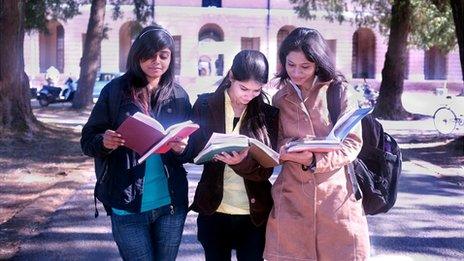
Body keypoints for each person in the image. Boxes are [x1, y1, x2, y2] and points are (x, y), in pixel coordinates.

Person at [80, 25, 192, 260]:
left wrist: (183, 148)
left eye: (164, 55)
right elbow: (88, 139)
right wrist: (104, 141)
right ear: (136, 55)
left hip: (170, 203)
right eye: (149, 55)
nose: (157, 61)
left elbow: (190, 151)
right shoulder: (115, 91)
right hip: (126, 201)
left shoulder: (179, 95)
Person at [264, 27, 370, 260]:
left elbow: (352, 143)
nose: (296, 73)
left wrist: (314, 159)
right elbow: (277, 139)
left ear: (318, 63)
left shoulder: (338, 92)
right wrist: (284, 149)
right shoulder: (280, 98)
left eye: (305, 67)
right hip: (291, 196)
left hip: (335, 197)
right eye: (290, 65)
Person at [184, 50, 279, 260]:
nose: (249, 95)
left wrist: (242, 163)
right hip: (214, 208)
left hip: (254, 213)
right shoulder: (205, 105)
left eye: (257, 90)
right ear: (230, 76)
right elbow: (193, 152)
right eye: (244, 88)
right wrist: (182, 147)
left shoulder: (268, 114)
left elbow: (266, 170)